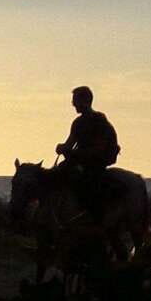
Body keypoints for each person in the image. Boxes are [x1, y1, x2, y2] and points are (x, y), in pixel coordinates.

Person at [55, 86, 121, 219]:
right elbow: (70, 143)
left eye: (75, 100)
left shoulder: (100, 122)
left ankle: (91, 213)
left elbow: (98, 149)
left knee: (88, 180)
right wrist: (62, 148)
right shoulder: (77, 123)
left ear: (85, 101)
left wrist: (76, 154)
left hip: (95, 163)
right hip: (79, 161)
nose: (73, 104)